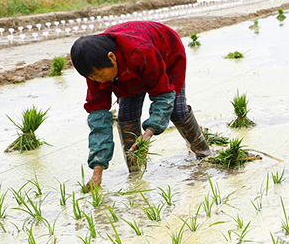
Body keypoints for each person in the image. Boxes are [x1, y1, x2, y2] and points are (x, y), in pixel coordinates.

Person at [71, 21, 210, 188]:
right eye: (92, 78)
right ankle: (136, 172)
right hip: (127, 71)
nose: (97, 81)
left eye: (99, 75)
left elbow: (162, 95)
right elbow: (99, 121)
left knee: (176, 111)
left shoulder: (140, 51)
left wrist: (148, 133)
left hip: (166, 55)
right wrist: (97, 172)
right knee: (126, 118)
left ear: (111, 57)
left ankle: (204, 155)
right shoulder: (95, 72)